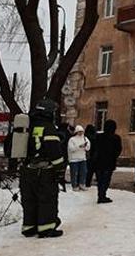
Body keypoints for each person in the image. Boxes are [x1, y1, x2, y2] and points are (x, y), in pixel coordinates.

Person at [19, 98, 65, 238]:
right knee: (47, 199)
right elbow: (54, 152)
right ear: (48, 113)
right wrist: (60, 170)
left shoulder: (28, 126)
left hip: (27, 171)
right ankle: (46, 228)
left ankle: (29, 227)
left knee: (29, 200)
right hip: (44, 172)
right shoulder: (48, 128)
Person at [93, 119, 121, 203]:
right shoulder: (116, 138)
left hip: (98, 162)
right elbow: (118, 150)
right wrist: (113, 157)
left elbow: (94, 148)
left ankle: (100, 195)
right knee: (106, 180)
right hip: (109, 162)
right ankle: (102, 196)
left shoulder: (98, 136)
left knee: (100, 180)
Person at [67, 125, 90, 191]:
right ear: (76, 132)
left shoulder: (85, 138)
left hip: (83, 158)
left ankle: (82, 184)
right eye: (79, 131)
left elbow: (88, 147)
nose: (81, 133)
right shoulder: (72, 139)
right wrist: (79, 146)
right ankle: (74, 185)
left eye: (82, 131)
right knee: (74, 173)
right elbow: (71, 149)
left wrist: (85, 146)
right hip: (74, 159)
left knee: (83, 172)